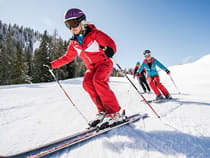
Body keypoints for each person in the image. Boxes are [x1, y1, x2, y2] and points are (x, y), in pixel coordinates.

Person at [47, 8, 122, 127]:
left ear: (82, 21)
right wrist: (52, 64)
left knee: (98, 81)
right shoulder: (74, 42)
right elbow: (67, 57)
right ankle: (102, 111)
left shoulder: (95, 34)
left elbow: (110, 43)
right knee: (87, 83)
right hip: (91, 67)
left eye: (73, 23)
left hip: (104, 63)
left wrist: (110, 50)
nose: (72, 28)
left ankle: (114, 112)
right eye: (68, 25)